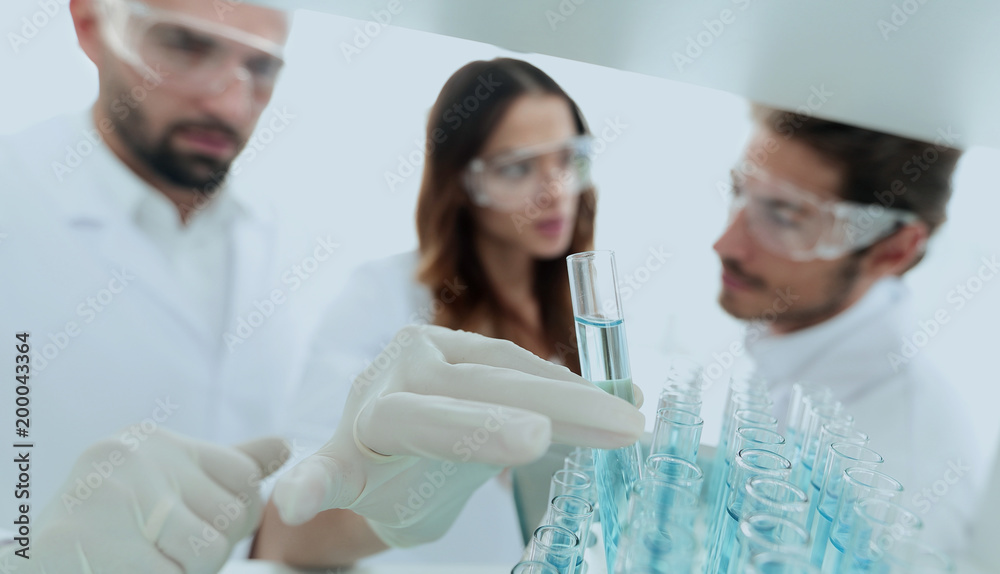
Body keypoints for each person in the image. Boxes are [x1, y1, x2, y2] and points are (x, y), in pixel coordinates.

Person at [0, 0, 644, 571]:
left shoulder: (295, 251)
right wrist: (25, 557)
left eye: (261, 66)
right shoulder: (16, 206)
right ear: (91, 23)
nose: (228, 101)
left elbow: (286, 510)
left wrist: (382, 503)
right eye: (187, 45)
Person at [253, 57, 602, 565]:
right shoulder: (382, 297)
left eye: (568, 159)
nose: (556, 191)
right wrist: (389, 514)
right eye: (518, 167)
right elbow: (285, 530)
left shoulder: (586, 313)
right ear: (462, 182)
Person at [712, 104, 982, 551]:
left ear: (893, 250)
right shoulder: (787, 342)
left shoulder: (904, 483)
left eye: (784, 215)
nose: (725, 244)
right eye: (739, 191)